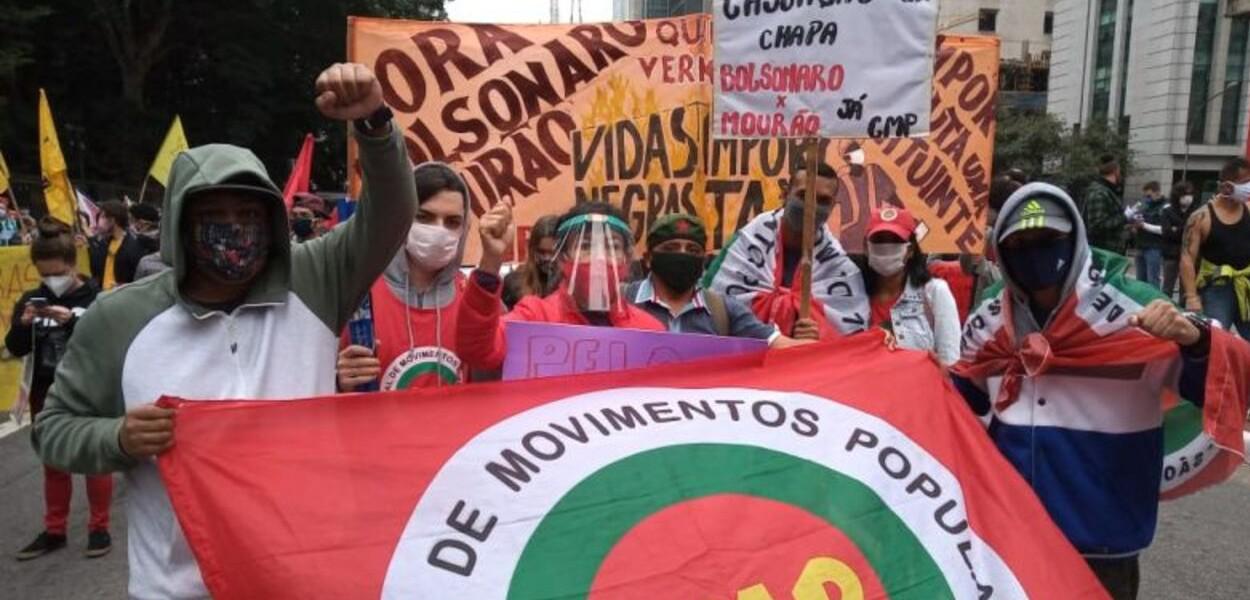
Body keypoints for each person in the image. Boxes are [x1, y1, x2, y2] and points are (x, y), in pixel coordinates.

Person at [34, 62, 417, 599]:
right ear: (179, 225)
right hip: (178, 588)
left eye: (249, 213)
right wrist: (117, 437)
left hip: (301, 577)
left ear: (271, 221)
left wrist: (373, 123)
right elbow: (53, 431)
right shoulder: (118, 319)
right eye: (215, 214)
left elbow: (394, 212)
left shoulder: (313, 279)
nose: (235, 228)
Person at [952, 182, 1230, 600]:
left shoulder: (1135, 309)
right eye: (1020, 243)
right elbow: (963, 400)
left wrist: (1195, 341)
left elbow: (1212, 390)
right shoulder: (990, 316)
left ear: (1076, 237)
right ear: (1003, 252)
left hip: (1102, 536)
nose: (1035, 252)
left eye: (1049, 240)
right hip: (1010, 531)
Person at [457, 200, 666, 372]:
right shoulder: (535, 318)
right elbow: (477, 352)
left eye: (612, 246)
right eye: (585, 246)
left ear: (626, 260)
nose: (599, 257)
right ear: (561, 259)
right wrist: (491, 260)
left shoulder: (649, 331)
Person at [7, 219, 111, 561]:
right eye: (44, 273)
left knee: (94, 459)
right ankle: (54, 530)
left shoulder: (95, 296)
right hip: (45, 392)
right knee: (53, 463)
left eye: (57, 272)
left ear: (72, 265)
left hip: (87, 390)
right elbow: (16, 347)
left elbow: (107, 341)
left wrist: (74, 321)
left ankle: (99, 528)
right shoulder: (31, 299)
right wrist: (23, 327)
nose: (51, 281)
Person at [336, 162, 473, 391]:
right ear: (400, 217)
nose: (438, 230)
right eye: (424, 216)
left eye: (452, 222)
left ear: (465, 228)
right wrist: (338, 382)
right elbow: (306, 384)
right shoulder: (356, 293)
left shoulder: (475, 300)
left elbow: (492, 388)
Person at [704, 159, 868, 340]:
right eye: (803, 195)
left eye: (823, 200)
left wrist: (820, 335)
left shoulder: (840, 269)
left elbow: (852, 341)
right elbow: (707, 304)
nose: (811, 207)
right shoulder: (742, 246)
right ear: (785, 194)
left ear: (832, 206)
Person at [626, 213, 819, 346]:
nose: (682, 255)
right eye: (671, 248)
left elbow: (777, 345)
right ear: (649, 259)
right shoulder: (620, 302)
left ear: (703, 260)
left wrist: (810, 344)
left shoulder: (724, 311)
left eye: (692, 250)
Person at [859, 208, 960, 366]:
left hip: (917, 388)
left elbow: (950, 362)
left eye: (895, 241)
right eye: (879, 241)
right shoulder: (851, 296)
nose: (887, 247)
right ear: (866, 248)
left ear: (911, 250)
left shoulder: (934, 293)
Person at [1181, 157, 1250, 340]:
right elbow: (1187, 258)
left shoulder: (1248, 210)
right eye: (1245, 183)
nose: (1249, 187)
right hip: (1216, 288)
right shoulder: (1201, 217)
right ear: (1227, 186)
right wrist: (1191, 297)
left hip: (1246, 286)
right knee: (1215, 342)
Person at [502, 214, 560, 309]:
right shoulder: (513, 283)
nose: (546, 258)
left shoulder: (573, 286)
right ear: (532, 249)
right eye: (541, 252)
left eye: (552, 253)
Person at [88, 200, 145, 289]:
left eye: (103, 217)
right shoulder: (100, 243)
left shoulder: (134, 246)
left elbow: (140, 279)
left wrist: (124, 286)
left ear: (113, 220)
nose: (99, 222)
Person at [1082, 154, 1129, 255]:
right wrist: (1125, 217)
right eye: (1119, 171)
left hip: (1110, 252)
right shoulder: (1099, 192)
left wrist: (1128, 223)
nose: (1120, 174)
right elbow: (1097, 225)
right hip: (1104, 253)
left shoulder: (1107, 191)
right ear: (1115, 171)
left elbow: (1111, 221)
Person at [1159, 181, 1197, 301]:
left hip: (1189, 255)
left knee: (1186, 289)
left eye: (1190, 194)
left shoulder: (1196, 212)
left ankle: (1183, 313)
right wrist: (1185, 228)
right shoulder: (1167, 211)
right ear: (1177, 195)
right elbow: (1167, 233)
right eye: (1185, 194)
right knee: (1167, 288)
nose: (1188, 197)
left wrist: (1177, 228)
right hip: (1171, 255)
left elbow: (1196, 233)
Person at [1130, 181, 1166, 288]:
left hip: (1154, 247)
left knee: (1152, 280)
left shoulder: (1165, 207)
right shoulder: (1144, 205)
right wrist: (1134, 227)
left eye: (1149, 196)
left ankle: (1154, 302)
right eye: (1145, 196)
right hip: (1140, 245)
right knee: (1140, 280)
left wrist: (1143, 225)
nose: (1147, 198)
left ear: (1157, 192)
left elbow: (1163, 229)